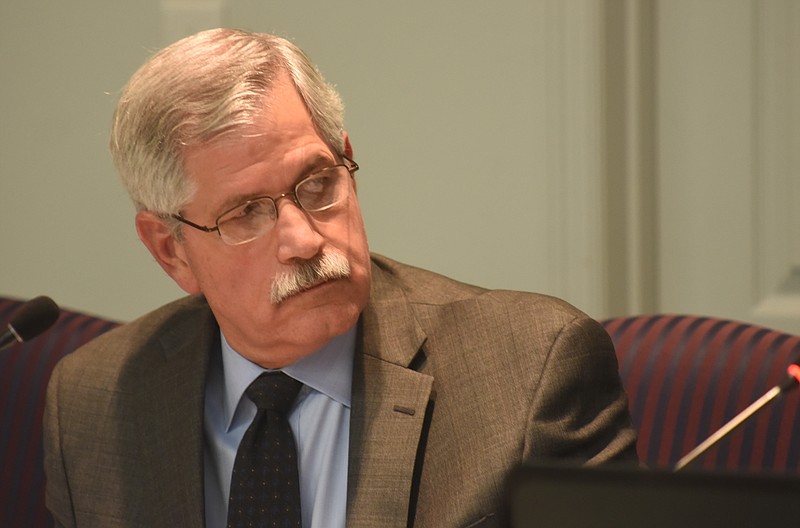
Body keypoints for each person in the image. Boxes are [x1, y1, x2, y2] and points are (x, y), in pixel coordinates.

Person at [43, 28, 637, 528]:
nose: (303, 239)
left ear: (346, 160)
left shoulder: (529, 369)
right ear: (171, 250)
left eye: (318, 183)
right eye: (245, 213)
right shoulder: (93, 402)